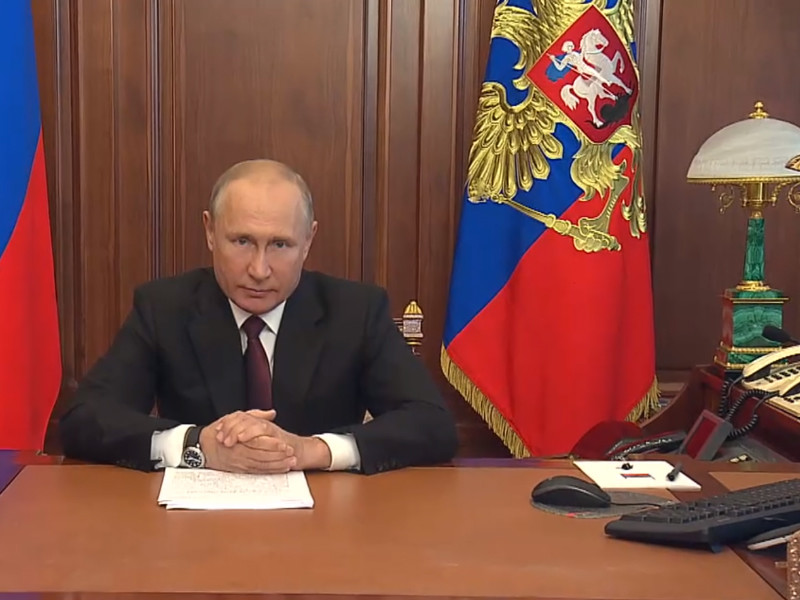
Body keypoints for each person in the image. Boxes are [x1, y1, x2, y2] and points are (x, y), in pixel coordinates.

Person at [60, 159, 458, 475]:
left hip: (324, 525)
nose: (259, 269)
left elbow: (432, 424)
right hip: (194, 529)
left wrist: (312, 450)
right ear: (210, 231)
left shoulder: (355, 311)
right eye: (242, 241)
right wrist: (198, 444)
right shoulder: (164, 307)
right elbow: (85, 419)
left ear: (308, 240)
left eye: (280, 245)